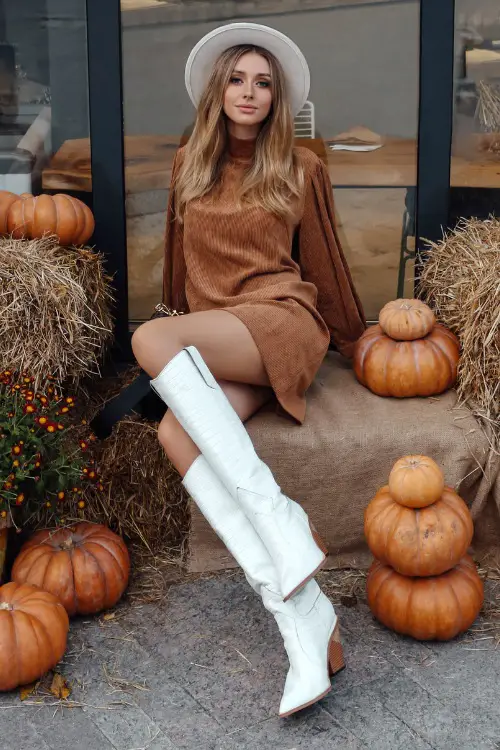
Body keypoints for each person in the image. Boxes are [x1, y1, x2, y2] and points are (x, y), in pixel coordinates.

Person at [131, 22, 366, 718]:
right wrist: (179, 337)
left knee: (150, 339)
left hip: (281, 320)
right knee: (176, 432)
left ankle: (286, 526)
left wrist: (360, 344)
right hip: (218, 336)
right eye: (238, 79)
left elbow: (326, 265)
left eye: (264, 83)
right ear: (217, 89)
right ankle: (304, 617)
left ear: (278, 98)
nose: (250, 92)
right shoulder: (189, 164)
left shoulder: (300, 166)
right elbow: (179, 268)